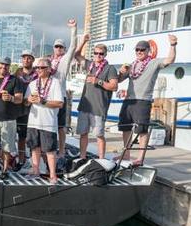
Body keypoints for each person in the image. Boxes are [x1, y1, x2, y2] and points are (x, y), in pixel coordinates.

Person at [117, 35, 177, 165]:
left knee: (142, 130)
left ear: (148, 51)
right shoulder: (132, 65)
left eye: (142, 50)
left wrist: (173, 45)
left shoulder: (153, 63)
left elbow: (170, 60)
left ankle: (140, 158)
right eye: (137, 49)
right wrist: (121, 72)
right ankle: (126, 154)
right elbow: (120, 80)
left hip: (143, 101)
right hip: (129, 101)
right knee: (125, 127)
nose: (139, 52)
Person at [74, 35, 118, 159]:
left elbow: (114, 86)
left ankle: (101, 159)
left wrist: (97, 81)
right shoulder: (90, 65)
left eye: (101, 54)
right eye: (96, 53)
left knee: (99, 135)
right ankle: (82, 157)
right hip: (84, 107)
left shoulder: (110, 68)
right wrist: (84, 41)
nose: (98, 56)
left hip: (98, 108)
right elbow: (76, 55)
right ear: (93, 54)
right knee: (83, 133)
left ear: (105, 55)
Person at [25, 58, 64, 184]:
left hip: (48, 122)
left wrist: (43, 101)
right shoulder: (32, 84)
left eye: (41, 67)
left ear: (48, 69)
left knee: (50, 150)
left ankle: (52, 174)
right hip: (33, 121)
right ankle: (35, 170)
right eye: (37, 67)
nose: (38, 70)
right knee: (34, 147)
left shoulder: (55, 83)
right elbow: (25, 102)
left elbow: (60, 103)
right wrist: (29, 100)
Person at [0, 57, 24, 179]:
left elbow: (20, 99)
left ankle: (5, 169)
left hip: (9, 119)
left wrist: (11, 98)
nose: (3, 67)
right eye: (1, 65)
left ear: (9, 66)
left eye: (6, 65)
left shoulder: (15, 80)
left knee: (7, 147)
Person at [51, 19, 78, 160]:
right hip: (49, 98)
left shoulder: (65, 60)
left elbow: (74, 46)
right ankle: (49, 150)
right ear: (54, 48)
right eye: (57, 47)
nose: (59, 49)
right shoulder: (48, 62)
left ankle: (61, 151)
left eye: (61, 47)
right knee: (48, 126)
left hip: (61, 97)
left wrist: (73, 29)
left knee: (61, 127)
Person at [15, 50, 37, 169]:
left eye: (29, 58)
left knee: (34, 136)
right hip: (20, 109)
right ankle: (21, 160)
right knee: (21, 136)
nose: (26, 60)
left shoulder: (37, 74)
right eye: (24, 58)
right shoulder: (17, 73)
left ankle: (35, 162)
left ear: (33, 60)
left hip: (35, 109)